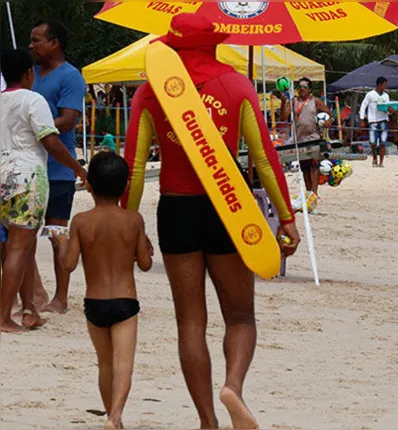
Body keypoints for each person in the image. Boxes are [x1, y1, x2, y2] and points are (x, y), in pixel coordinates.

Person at [120, 14, 300, 429]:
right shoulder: (237, 85)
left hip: (176, 209)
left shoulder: (151, 92)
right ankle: (233, 387)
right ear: (214, 44)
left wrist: (130, 226)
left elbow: (133, 169)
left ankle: (207, 421)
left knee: (190, 323)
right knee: (240, 317)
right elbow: (264, 160)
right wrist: (286, 217)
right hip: (229, 207)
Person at [51, 151, 152, 429]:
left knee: (105, 364)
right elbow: (144, 264)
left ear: (90, 186)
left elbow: (69, 265)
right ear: (124, 187)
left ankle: (111, 415)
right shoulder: (134, 220)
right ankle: (116, 416)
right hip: (125, 301)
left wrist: (61, 243)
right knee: (123, 364)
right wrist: (146, 248)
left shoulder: (81, 221)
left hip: (94, 302)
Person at [0, 49, 87, 333]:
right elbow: (50, 142)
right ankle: (3, 316)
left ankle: (29, 309)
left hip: (1, 176)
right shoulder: (33, 99)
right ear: (28, 74)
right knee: (19, 249)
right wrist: (78, 168)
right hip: (27, 178)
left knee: (18, 248)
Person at [28, 18, 87, 315]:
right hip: (29, 167)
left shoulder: (70, 76)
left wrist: (31, 126)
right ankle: (34, 292)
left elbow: (69, 119)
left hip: (58, 169)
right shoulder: (30, 74)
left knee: (55, 233)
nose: (31, 45)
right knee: (21, 234)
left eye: (37, 40)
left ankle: (61, 298)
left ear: (55, 43)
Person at [279, 77, 334, 198]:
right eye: (300, 87)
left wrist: (329, 122)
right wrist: (283, 103)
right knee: (304, 167)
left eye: (304, 87)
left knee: (313, 165)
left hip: (313, 138)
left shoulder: (315, 101)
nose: (302, 89)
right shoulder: (293, 101)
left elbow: (330, 114)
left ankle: (314, 192)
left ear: (309, 89)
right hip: (299, 139)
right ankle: (309, 192)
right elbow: (283, 117)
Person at [360, 77, 393, 167]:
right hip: (373, 121)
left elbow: (387, 109)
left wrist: (390, 110)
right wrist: (362, 119)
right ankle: (374, 157)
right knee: (373, 142)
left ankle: (381, 162)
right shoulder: (370, 94)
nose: (386, 86)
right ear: (380, 85)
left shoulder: (386, 96)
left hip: (384, 120)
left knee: (383, 142)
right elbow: (363, 106)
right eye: (385, 84)